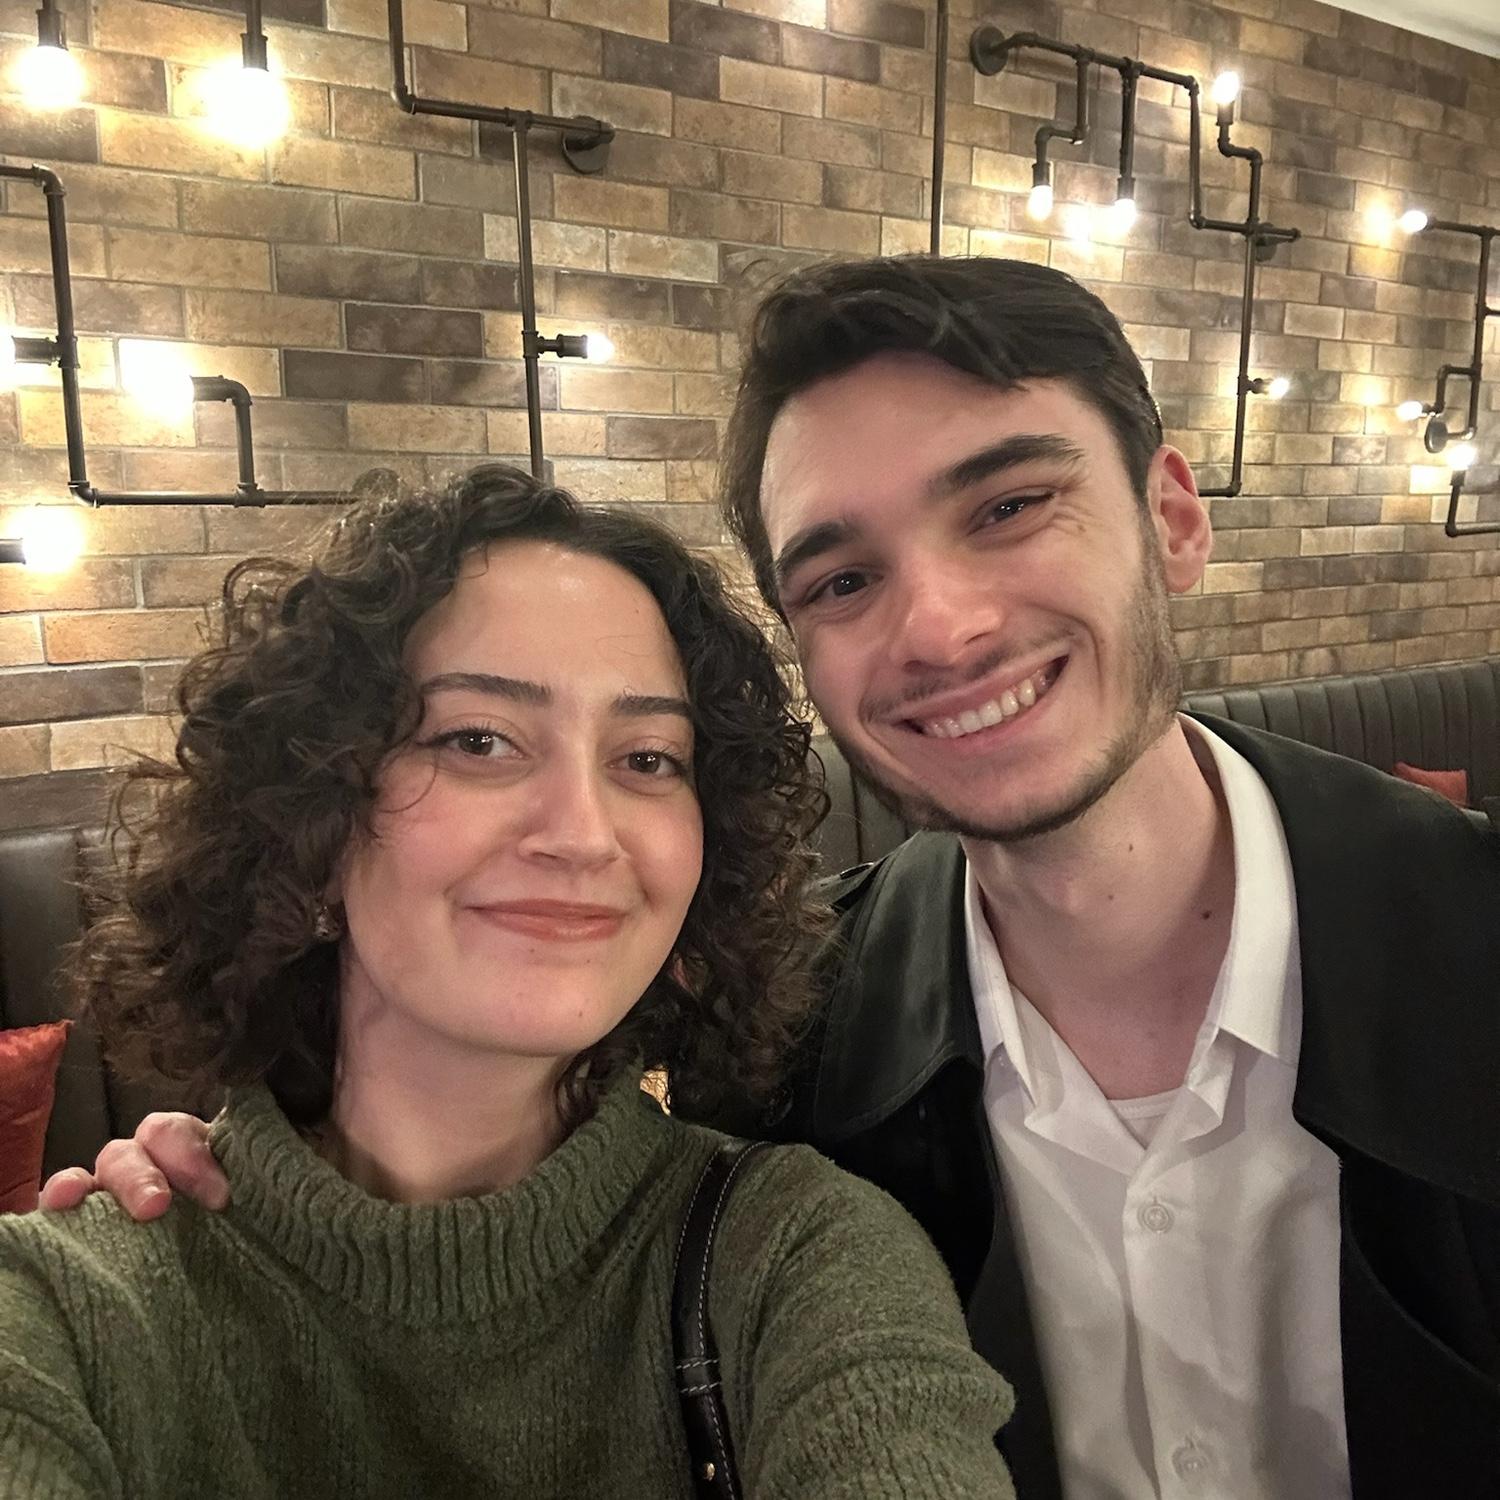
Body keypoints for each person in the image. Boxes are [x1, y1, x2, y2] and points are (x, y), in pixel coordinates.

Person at [51, 258, 1500, 1498]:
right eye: (844, 579)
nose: (938, 627)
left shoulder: (1468, 937)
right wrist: (196, 1218)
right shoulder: (797, 1048)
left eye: (1008, 506)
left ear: (1173, 518)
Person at [4, 464, 1016, 1498]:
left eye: (648, 758)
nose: (583, 834)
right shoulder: (59, 1310)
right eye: (478, 740)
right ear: (310, 818)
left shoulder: (797, 1256)